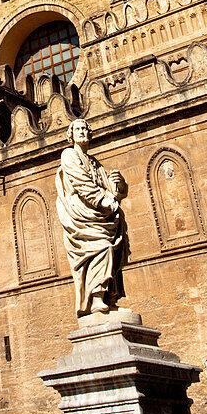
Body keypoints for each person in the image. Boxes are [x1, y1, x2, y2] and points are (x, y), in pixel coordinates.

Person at [55, 117, 129, 316]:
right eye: (77, 129)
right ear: (71, 135)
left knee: (114, 249)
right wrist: (106, 202)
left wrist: (119, 185)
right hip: (82, 216)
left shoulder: (94, 163)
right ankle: (96, 297)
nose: (82, 132)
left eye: (85, 129)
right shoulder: (68, 155)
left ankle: (110, 297)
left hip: (101, 216)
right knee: (102, 247)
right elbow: (83, 184)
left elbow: (113, 189)